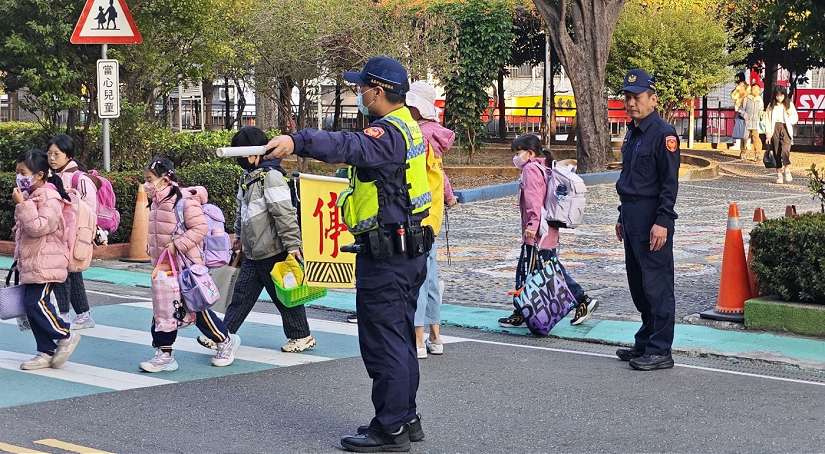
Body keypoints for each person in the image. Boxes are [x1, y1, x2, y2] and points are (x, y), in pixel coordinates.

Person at [263, 56, 431, 453]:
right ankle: (405, 417)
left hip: (388, 256)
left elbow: (347, 145)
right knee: (399, 338)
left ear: (377, 91)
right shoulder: (408, 126)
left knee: (383, 343)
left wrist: (298, 141)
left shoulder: (386, 133)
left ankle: (389, 429)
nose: (358, 93)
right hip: (406, 250)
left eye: (361, 87)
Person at [197, 126, 315, 353]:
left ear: (254, 154)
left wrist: (293, 245)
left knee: (284, 296)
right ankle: (223, 334)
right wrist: (239, 237)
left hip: (273, 250)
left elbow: (284, 213)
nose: (240, 160)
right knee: (241, 296)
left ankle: (302, 336)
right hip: (253, 251)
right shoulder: (249, 178)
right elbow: (243, 211)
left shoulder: (271, 177)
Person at [141, 157, 239, 372]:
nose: (146, 184)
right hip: (165, 268)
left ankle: (224, 341)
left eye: (149, 179)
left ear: (165, 179)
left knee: (197, 309)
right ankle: (164, 353)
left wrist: (177, 245)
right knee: (163, 310)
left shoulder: (183, 201)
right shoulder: (156, 201)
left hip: (186, 267)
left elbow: (200, 228)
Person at [496, 134, 599, 329]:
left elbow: (534, 201)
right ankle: (521, 312)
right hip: (548, 231)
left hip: (538, 234)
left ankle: (582, 300)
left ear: (530, 153)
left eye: (518, 153)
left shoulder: (530, 169)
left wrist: (532, 226)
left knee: (540, 273)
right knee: (540, 271)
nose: (515, 157)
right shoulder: (545, 167)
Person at [614, 69, 680, 371]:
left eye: (637, 97)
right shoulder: (633, 132)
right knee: (639, 285)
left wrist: (663, 221)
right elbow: (629, 177)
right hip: (632, 216)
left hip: (653, 217)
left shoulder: (664, 134)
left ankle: (660, 349)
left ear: (653, 99)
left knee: (657, 285)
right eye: (627, 97)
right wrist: (621, 215)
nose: (631, 103)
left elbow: (669, 183)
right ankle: (645, 340)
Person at [12, 149, 81, 370]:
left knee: (36, 303)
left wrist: (22, 205)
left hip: (47, 262)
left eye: (23, 172)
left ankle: (65, 334)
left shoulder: (50, 197)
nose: (19, 177)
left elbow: (39, 227)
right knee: (30, 306)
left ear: (40, 175)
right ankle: (45, 351)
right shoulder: (32, 196)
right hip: (33, 262)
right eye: (17, 172)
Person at [406, 81, 454, 359]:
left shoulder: (417, 136)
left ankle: (418, 340)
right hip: (434, 217)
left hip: (417, 215)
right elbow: (440, 174)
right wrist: (449, 196)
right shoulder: (436, 135)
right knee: (432, 279)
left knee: (418, 280)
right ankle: (436, 336)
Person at [47, 134, 96, 329]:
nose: (52, 158)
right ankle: (83, 315)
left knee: (62, 273)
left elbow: (90, 211)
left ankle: (64, 316)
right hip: (59, 234)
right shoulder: (53, 176)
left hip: (74, 235)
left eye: (56, 154)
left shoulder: (80, 179)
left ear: (68, 155)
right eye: (49, 154)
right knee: (72, 273)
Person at [765, 85, 798, 184]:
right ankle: (779, 174)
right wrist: (768, 133)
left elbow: (795, 117)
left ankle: (787, 169)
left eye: (781, 95)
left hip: (785, 128)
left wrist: (789, 116)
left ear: (784, 95)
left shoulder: (789, 104)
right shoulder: (771, 106)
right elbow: (767, 120)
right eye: (777, 95)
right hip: (774, 128)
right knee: (776, 152)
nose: (779, 97)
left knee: (785, 150)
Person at [740, 85, 764, 162]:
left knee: (756, 139)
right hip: (746, 122)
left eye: (758, 89)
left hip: (755, 123)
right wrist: (745, 115)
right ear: (751, 90)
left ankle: (758, 154)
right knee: (744, 138)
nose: (756, 91)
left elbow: (761, 110)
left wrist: (761, 115)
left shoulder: (760, 100)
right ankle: (743, 152)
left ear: (759, 91)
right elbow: (741, 110)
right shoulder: (746, 99)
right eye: (754, 89)